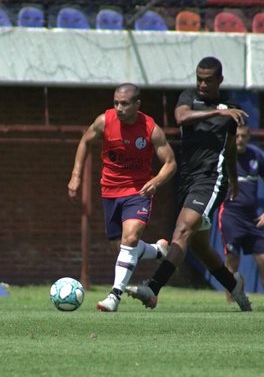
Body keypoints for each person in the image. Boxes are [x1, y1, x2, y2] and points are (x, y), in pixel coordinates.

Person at [125, 56, 252, 312]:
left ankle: (153, 288)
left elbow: (229, 149)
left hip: (211, 178)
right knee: (199, 246)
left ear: (220, 80)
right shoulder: (189, 97)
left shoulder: (232, 109)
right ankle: (234, 284)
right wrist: (218, 112)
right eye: (199, 79)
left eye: (208, 80)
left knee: (182, 231)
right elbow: (181, 117)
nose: (202, 84)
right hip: (188, 179)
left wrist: (233, 178)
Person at [68, 83, 177, 312]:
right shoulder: (104, 121)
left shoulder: (150, 129)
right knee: (119, 246)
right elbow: (85, 142)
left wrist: (156, 181)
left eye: (124, 104)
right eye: (116, 103)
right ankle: (157, 251)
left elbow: (170, 163)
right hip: (110, 191)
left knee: (130, 238)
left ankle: (114, 296)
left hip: (138, 192)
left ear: (137, 104)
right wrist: (76, 175)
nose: (119, 108)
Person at [218, 125, 264, 301]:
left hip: (252, 217)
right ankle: (232, 300)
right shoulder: (224, 157)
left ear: (248, 137)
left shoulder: (256, 156)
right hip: (231, 215)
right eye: (236, 136)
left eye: (243, 136)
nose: (240, 140)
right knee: (233, 260)